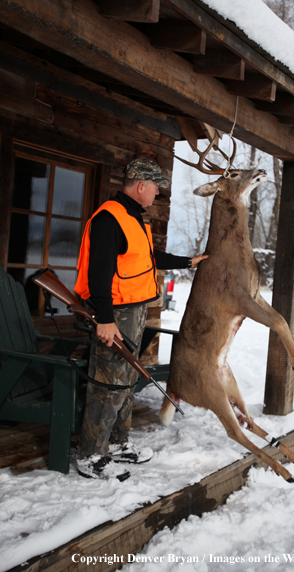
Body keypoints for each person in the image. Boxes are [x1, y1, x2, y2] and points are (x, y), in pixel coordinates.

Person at [74, 158, 207, 479]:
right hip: (114, 313)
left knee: (126, 379)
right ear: (141, 185)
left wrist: (189, 261)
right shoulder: (110, 218)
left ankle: (118, 444)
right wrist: (105, 319)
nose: (158, 194)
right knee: (108, 383)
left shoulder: (134, 219)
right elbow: (98, 274)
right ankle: (89, 454)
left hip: (133, 311)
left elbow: (149, 258)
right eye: (156, 187)